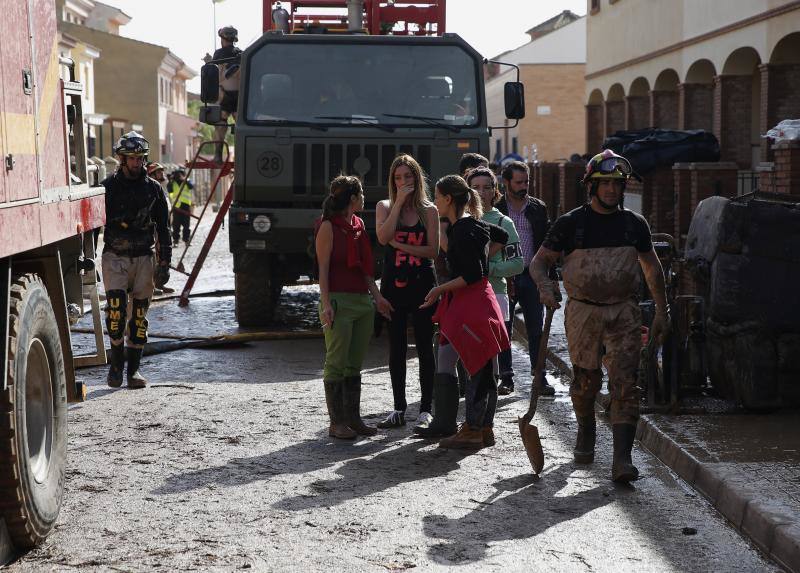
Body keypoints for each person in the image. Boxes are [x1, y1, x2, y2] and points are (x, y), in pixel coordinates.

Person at [530, 150, 669, 483]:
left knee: (626, 383)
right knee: (586, 380)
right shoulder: (570, 225)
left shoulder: (634, 225)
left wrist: (663, 310)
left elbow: (652, 268)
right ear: (591, 186)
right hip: (583, 312)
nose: (611, 190)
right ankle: (586, 431)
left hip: (624, 311)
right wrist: (545, 288)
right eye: (604, 183)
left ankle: (622, 459)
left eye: (616, 184)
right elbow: (538, 263)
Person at [416, 175, 510, 450]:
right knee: (454, 357)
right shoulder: (469, 225)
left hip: (472, 304)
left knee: (479, 366)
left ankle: (474, 429)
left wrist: (438, 289)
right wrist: (482, 257)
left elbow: (473, 273)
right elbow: (500, 238)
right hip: (469, 302)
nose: (435, 201)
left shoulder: (465, 229)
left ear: (448, 199)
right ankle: (467, 426)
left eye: (437, 196)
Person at [315, 175, 393, 440]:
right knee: (336, 362)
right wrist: (326, 305)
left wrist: (377, 297)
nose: (364, 199)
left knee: (355, 364)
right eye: (361, 195)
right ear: (352, 199)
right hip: (338, 301)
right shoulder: (328, 227)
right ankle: (336, 423)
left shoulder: (358, 225)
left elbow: (365, 269)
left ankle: (353, 419)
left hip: (362, 302)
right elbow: (322, 270)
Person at [102, 132, 171, 388]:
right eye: (130, 158)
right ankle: (116, 364)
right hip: (115, 256)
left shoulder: (154, 190)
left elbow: (164, 229)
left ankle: (134, 371)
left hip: (144, 256)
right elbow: (91, 226)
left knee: (139, 316)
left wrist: (164, 264)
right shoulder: (107, 187)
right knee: (116, 312)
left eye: (140, 158)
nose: (136, 163)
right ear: (121, 159)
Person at [375, 155, 439, 430]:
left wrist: (402, 247)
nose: (403, 182)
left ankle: (426, 409)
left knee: (425, 346)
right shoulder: (384, 206)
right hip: (394, 288)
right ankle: (399, 407)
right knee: (396, 347)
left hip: (423, 286)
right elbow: (382, 237)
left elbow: (433, 251)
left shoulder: (429, 211)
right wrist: (399, 203)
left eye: (408, 177)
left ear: (417, 178)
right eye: (398, 178)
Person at [468, 166, 523, 445]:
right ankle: (469, 419)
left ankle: (484, 424)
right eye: (475, 187)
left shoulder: (503, 223)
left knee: (488, 364)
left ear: (495, 191)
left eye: (486, 187)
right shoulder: (459, 220)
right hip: (463, 299)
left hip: (494, 296)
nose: (481, 192)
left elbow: (517, 263)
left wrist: (487, 268)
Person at [495, 160, 554, 397]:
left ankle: (539, 376)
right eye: (518, 182)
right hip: (505, 274)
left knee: (536, 329)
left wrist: (550, 278)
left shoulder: (538, 208)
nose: (523, 186)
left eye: (526, 181)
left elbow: (548, 243)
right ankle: (506, 378)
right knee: (504, 328)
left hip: (532, 275)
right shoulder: (497, 208)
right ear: (506, 182)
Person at [208, 26, 242, 164]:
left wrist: (208, 62)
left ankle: (218, 155)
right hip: (239, 96)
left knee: (220, 125)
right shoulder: (241, 54)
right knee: (240, 126)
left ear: (222, 38)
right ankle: (240, 155)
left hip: (223, 95)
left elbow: (215, 76)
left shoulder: (218, 55)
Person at [168, 168, 194, 246]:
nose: (178, 176)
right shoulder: (173, 183)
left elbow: (191, 186)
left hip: (186, 206)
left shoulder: (187, 181)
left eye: (179, 174)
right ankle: (176, 241)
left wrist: (184, 179)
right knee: (176, 225)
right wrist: (170, 180)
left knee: (186, 225)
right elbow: (169, 190)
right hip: (176, 207)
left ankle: (186, 240)